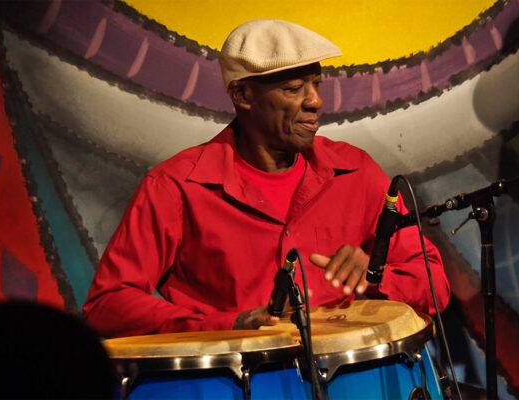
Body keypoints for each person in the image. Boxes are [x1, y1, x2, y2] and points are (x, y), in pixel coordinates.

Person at [83, 19, 450, 338]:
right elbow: (107, 304)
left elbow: (433, 282)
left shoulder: (356, 171)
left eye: (316, 84)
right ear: (243, 95)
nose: (315, 102)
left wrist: (373, 278)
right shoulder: (177, 186)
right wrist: (228, 325)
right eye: (294, 89)